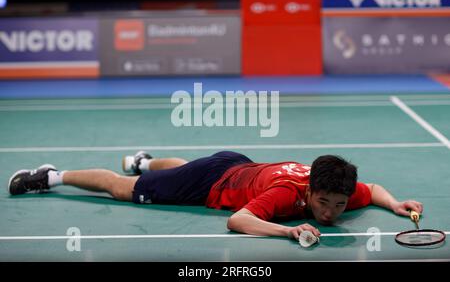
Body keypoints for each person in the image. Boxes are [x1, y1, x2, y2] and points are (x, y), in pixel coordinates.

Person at [7, 150, 423, 241]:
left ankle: (144, 160)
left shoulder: (341, 190)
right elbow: (236, 220)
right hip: (212, 184)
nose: (330, 212)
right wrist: (290, 232)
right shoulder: (285, 196)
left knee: (185, 165)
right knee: (123, 190)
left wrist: (395, 202)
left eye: (337, 205)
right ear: (310, 190)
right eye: (323, 203)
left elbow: (373, 191)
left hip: (234, 164)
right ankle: (51, 176)